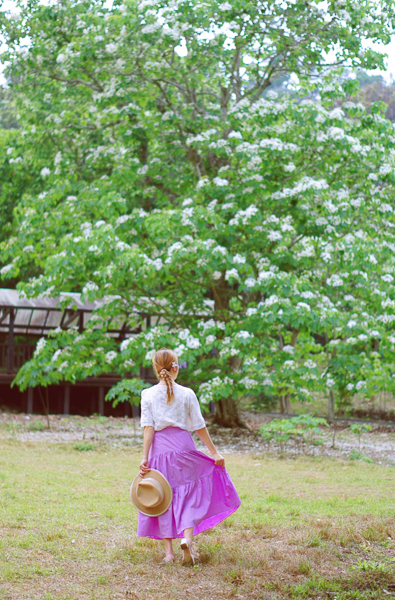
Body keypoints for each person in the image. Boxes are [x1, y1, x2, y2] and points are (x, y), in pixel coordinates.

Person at [137, 347, 241, 564]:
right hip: (184, 447)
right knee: (189, 494)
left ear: (156, 369)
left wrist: (145, 458)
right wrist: (214, 453)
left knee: (163, 497)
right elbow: (199, 427)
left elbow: (148, 429)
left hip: (159, 450)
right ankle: (187, 540)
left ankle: (168, 553)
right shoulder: (187, 393)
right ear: (175, 367)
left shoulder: (147, 395)